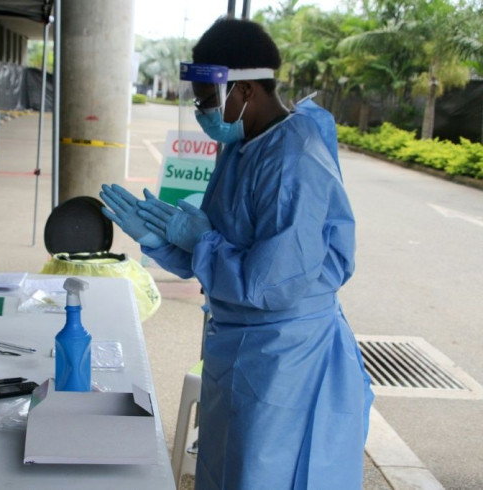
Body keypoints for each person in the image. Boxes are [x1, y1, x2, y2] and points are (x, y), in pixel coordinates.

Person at [100, 18, 374, 490]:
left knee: (264, 474)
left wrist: (200, 241)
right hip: (239, 346)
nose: (201, 110)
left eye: (207, 99)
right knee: (226, 468)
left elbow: (270, 284)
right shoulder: (242, 145)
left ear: (244, 90)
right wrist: (162, 241)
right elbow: (216, 254)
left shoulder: (294, 161)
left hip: (285, 358)